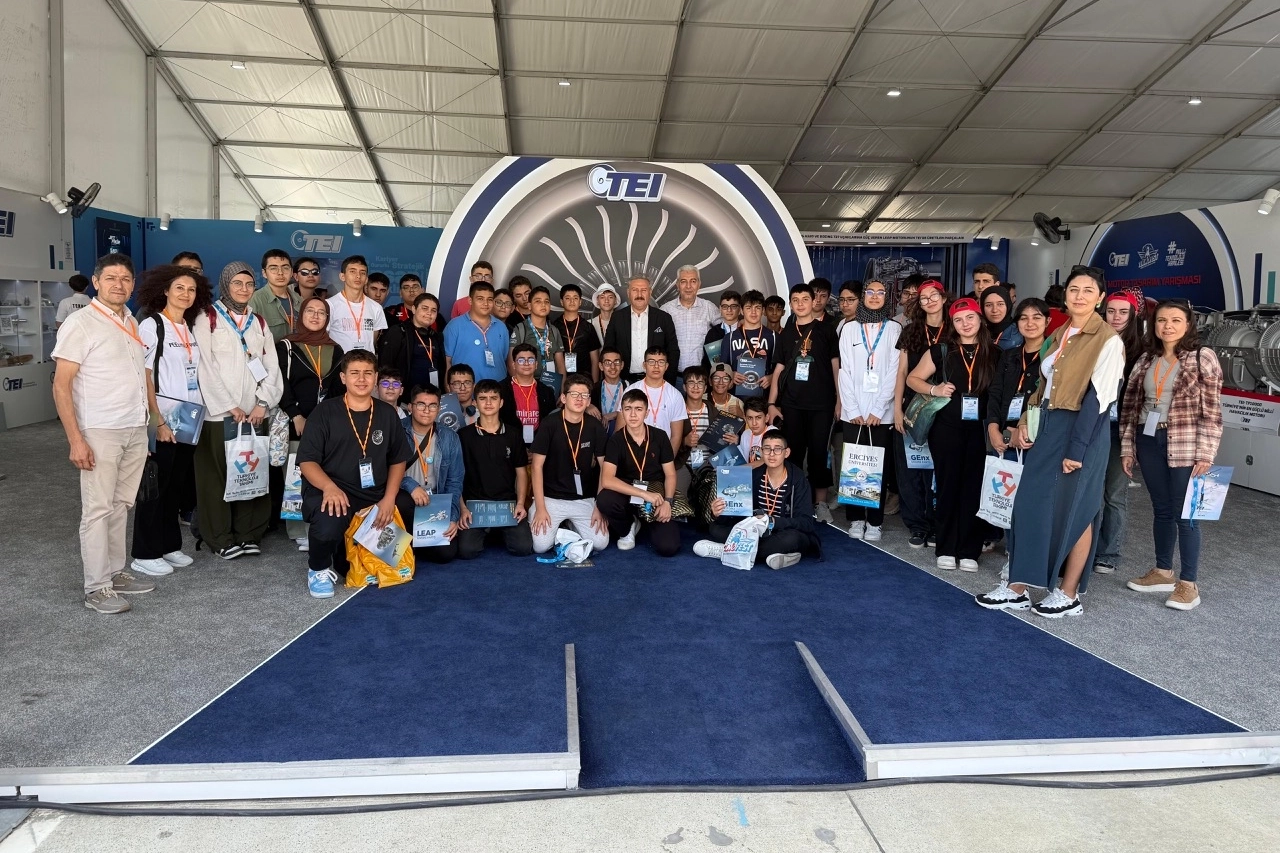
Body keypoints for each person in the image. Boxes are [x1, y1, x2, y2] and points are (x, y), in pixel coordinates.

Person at [977, 267, 1124, 617]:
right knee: (1029, 505)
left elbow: (1098, 400)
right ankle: (1018, 587)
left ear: (1100, 298)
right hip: (1047, 425)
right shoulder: (1059, 333)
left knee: (1078, 511)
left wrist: (1077, 449)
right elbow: (1041, 388)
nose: (1079, 296)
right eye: (1074, 289)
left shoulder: (1108, 340)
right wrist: (1026, 422)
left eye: (1088, 290)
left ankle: (1069, 594)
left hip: (1083, 430)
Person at [52, 254, 156, 613]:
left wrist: (148, 422)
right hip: (100, 429)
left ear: (133, 284)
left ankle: (114, 572)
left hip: (133, 426)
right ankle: (96, 587)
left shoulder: (131, 320)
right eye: (111, 278)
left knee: (121, 504)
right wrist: (76, 440)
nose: (119, 284)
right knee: (97, 509)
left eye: (126, 278)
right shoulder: (80, 323)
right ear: (96, 282)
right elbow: (61, 386)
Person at [1119, 301, 1223, 611]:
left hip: (1188, 443)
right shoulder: (1146, 359)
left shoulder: (1203, 357)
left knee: (1187, 514)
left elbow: (1213, 411)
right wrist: (1128, 447)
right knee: (1161, 509)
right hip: (1149, 438)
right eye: (1162, 320)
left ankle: (1189, 584)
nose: (1168, 326)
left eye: (1176, 320)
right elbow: (1130, 407)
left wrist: (1206, 453)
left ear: (1188, 325)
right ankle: (1163, 571)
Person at [296, 350, 415, 598]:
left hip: (373, 491)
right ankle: (318, 569)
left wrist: (388, 499)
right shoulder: (324, 412)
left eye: (368, 373)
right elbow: (307, 461)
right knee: (329, 519)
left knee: (404, 503)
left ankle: (377, 554)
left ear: (375, 378)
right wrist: (329, 487)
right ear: (343, 378)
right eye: (355, 373)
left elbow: (398, 460)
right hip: (334, 489)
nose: (361, 379)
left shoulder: (387, 413)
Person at [192, 261, 285, 560]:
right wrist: (228, 405)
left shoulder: (258, 322)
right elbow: (204, 366)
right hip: (219, 414)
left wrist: (263, 403)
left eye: (249, 284)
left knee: (252, 474)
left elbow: (271, 366)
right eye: (237, 283)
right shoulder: (207, 317)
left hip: (255, 414)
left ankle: (249, 533)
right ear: (225, 285)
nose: (244, 289)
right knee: (216, 477)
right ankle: (220, 537)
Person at [128, 264, 213, 577]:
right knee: (155, 486)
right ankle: (144, 553)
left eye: (191, 289)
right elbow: (145, 375)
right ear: (165, 290)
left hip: (189, 417)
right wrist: (158, 420)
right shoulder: (152, 325)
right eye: (179, 288)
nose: (185, 294)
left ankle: (168, 545)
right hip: (163, 417)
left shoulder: (189, 327)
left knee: (176, 485)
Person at [907, 297, 998, 571]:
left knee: (974, 487)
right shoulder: (941, 351)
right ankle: (946, 547)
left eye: (970, 317)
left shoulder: (995, 353)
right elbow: (913, 378)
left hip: (980, 430)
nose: (965, 324)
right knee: (947, 486)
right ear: (952, 324)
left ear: (980, 319)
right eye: (958, 320)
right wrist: (934, 389)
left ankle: (969, 549)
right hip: (946, 429)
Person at [693, 429, 821, 569]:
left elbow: (806, 523)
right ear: (761, 451)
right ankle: (772, 554)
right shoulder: (753, 476)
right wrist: (718, 513)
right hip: (754, 532)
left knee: (793, 539)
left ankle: (726, 550)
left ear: (786, 452)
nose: (772, 454)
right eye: (767, 449)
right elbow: (737, 516)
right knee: (716, 528)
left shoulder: (798, 479)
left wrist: (772, 522)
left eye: (777, 449)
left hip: (783, 531)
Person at [277, 296, 346, 551]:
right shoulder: (286, 346)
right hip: (295, 421)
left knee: (322, 472)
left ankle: (316, 524)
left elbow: (338, 388)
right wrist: (295, 414)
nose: (316, 316)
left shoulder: (335, 349)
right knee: (295, 475)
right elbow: (280, 383)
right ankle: (297, 530)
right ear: (301, 315)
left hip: (324, 423)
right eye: (310, 311)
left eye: (321, 313)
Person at [767, 283, 839, 522]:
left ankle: (821, 503)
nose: (800, 304)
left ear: (814, 301)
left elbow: (835, 367)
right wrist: (771, 404)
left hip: (822, 405)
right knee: (793, 454)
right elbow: (778, 370)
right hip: (792, 404)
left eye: (805, 299)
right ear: (790, 304)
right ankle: (794, 500)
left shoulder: (826, 330)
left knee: (819, 454)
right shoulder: (786, 334)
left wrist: (839, 400)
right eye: (795, 300)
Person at [837, 278, 901, 541]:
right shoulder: (849, 328)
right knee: (853, 465)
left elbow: (895, 371)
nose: (875, 296)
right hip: (853, 412)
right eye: (870, 292)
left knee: (878, 467)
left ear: (887, 297)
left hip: (881, 413)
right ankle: (855, 518)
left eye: (880, 292)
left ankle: (875, 521)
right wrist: (852, 409)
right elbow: (844, 371)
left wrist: (878, 408)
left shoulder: (894, 329)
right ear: (863, 296)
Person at [892, 279, 947, 548]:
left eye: (934, 296)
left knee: (938, 469)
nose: (929, 301)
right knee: (910, 469)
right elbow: (902, 372)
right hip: (912, 407)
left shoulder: (956, 329)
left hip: (945, 409)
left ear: (944, 298)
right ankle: (917, 525)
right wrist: (897, 409)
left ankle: (938, 524)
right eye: (924, 298)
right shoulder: (911, 331)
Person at [530, 374, 611, 554]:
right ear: (564, 398)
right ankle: (545, 517)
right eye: (574, 394)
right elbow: (536, 466)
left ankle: (570, 526)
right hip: (551, 497)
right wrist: (541, 508)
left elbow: (605, 467)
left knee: (600, 543)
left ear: (589, 401)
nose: (579, 399)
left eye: (584, 395)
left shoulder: (595, 426)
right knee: (541, 546)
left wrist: (599, 507)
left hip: (583, 498)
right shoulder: (549, 424)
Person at [1094, 290, 1145, 575]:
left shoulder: (1143, 351)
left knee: (1114, 494)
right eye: (1111, 311)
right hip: (1093, 425)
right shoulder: (1094, 341)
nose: (1116, 317)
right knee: (1088, 490)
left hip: (1121, 429)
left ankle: (1108, 553)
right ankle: (1083, 549)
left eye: (1123, 312)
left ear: (1133, 315)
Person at [455, 379, 535, 558]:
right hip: (475, 506)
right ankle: (490, 530)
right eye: (483, 398)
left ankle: (497, 530)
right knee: (466, 551)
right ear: (475, 403)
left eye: (493, 398)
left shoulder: (513, 434)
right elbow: (456, 476)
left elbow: (521, 472)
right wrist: (462, 508)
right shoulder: (463, 436)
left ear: (501, 402)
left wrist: (520, 503)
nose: (488, 403)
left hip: (507, 505)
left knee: (523, 548)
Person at [597, 388, 681, 555]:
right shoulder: (616, 440)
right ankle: (629, 526)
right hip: (627, 493)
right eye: (628, 409)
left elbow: (670, 474)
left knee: (668, 547)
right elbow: (607, 480)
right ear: (622, 412)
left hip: (655, 492)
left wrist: (668, 502)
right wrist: (643, 494)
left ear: (646, 413)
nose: (633, 414)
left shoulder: (660, 436)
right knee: (604, 499)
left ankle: (648, 523)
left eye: (638, 409)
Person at [400, 383, 464, 564]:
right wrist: (411, 486)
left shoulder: (449, 437)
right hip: (406, 499)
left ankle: (415, 541)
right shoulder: (397, 431)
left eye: (432, 405)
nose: (427, 410)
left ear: (439, 409)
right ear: (410, 407)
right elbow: (385, 470)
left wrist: (452, 517)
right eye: (421, 404)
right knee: (401, 500)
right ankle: (410, 540)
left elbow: (454, 481)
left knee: (446, 554)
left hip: (435, 503)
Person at [604, 276, 680, 384]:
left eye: (643, 290)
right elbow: (608, 349)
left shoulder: (664, 318)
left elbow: (673, 352)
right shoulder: (617, 317)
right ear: (628, 293)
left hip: (656, 381)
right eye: (635, 290)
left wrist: (668, 382)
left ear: (650, 292)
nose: (639, 294)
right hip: (624, 381)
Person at [378, 292, 446, 404]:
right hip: (404, 401)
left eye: (433, 310)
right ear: (414, 309)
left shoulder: (437, 337)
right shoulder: (398, 332)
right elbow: (385, 366)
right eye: (425, 308)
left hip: (430, 400)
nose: (429, 313)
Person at [444, 280, 508, 382]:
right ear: (470, 300)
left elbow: (504, 358)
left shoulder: (501, 327)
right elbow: (447, 362)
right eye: (480, 299)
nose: (485, 304)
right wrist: (449, 389)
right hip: (465, 389)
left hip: (497, 388)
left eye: (490, 299)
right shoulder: (454, 326)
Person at [626, 346, 687, 453]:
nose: (656, 366)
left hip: (663, 454)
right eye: (651, 362)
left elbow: (676, 437)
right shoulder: (631, 391)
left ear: (666, 366)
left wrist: (668, 461)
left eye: (661, 362)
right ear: (644, 365)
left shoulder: (675, 395)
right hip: (634, 453)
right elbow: (621, 429)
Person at [661, 264, 720, 372]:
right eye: (683, 281)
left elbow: (726, 329)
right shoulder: (666, 310)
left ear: (699, 284)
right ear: (677, 285)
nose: (688, 286)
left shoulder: (709, 307)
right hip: (673, 375)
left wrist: (741, 323)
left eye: (693, 281)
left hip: (701, 376)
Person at [509, 285, 566, 387]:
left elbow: (560, 365)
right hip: (527, 385)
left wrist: (562, 389)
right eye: (538, 301)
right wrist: (519, 388)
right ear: (529, 306)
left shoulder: (554, 330)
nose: (543, 305)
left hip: (551, 386)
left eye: (546, 301)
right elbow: (511, 362)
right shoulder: (521, 329)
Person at [327, 255, 387, 353]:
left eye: (362, 273)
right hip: (340, 361)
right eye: (352, 271)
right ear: (342, 276)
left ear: (366, 279)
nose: (358, 276)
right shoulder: (329, 305)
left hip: (367, 361)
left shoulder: (376, 307)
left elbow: (372, 341)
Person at [501, 342, 558, 443]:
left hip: (539, 443)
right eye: (521, 360)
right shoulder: (501, 389)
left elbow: (551, 423)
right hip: (509, 443)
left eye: (531, 360)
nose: (526, 363)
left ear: (536, 364)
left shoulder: (546, 392)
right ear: (514, 365)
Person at [723, 290, 775, 399]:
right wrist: (731, 374)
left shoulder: (774, 337)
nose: (753, 312)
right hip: (736, 398)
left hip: (763, 397)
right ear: (741, 311)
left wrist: (771, 377)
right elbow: (722, 367)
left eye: (757, 308)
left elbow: (782, 367)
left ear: (763, 310)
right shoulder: (730, 338)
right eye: (748, 308)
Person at [248, 248, 299, 343]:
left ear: (291, 272)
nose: (280, 273)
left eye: (285, 268)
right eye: (273, 268)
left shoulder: (299, 300)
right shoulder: (254, 301)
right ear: (264, 273)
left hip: (296, 352)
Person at [554, 283, 602, 381]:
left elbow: (595, 360)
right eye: (567, 298)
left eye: (575, 298)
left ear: (580, 302)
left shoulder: (588, 327)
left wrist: (595, 384)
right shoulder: (554, 326)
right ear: (561, 302)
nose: (572, 301)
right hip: (561, 379)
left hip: (584, 379)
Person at [702, 290, 742, 366]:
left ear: (740, 309)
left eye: (733, 306)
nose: (729, 310)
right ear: (720, 309)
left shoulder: (746, 331)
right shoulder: (713, 333)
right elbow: (707, 362)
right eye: (725, 307)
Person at [594, 346, 626, 436]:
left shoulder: (630, 387)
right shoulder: (594, 389)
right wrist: (588, 406)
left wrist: (616, 414)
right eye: (608, 363)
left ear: (622, 365)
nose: (613, 367)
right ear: (601, 366)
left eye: (616, 362)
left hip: (624, 433)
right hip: (600, 434)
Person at [982, 285, 1022, 351]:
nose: (994, 310)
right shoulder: (977, 332)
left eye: (1000, 304)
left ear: (1008, 305)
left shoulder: (1020, 332)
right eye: (989, 305)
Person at [736, 397, 771, 467]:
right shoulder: (745, 434)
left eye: (758, 417)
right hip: (748, 473)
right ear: (745, 419)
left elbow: (765, 461)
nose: (754, 423)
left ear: (767, 418)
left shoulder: (773, 433)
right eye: (750, 418)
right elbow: (741, 460)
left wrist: (737, 469)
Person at [446, 364, 480, 428]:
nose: (462, 388)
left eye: (467, 383)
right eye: (457, 384)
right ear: (448, 387)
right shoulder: (440, 412)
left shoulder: (484, 411)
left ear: (474, 386)